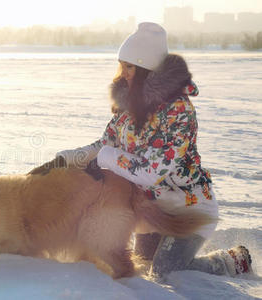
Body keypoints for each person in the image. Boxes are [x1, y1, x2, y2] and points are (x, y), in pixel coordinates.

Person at [29, 22, 253, 278]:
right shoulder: (129, 106)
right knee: (144, 268)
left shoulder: (178, 111)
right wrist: (62, 161)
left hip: (190, 208)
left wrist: (106, 158)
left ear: (147, 69)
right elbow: (103, 145)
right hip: (152, 209)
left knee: (166, 271)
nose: (122, 73)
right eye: (121, 65)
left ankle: (232, 261)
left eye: (129, 66)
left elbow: (150, 171)